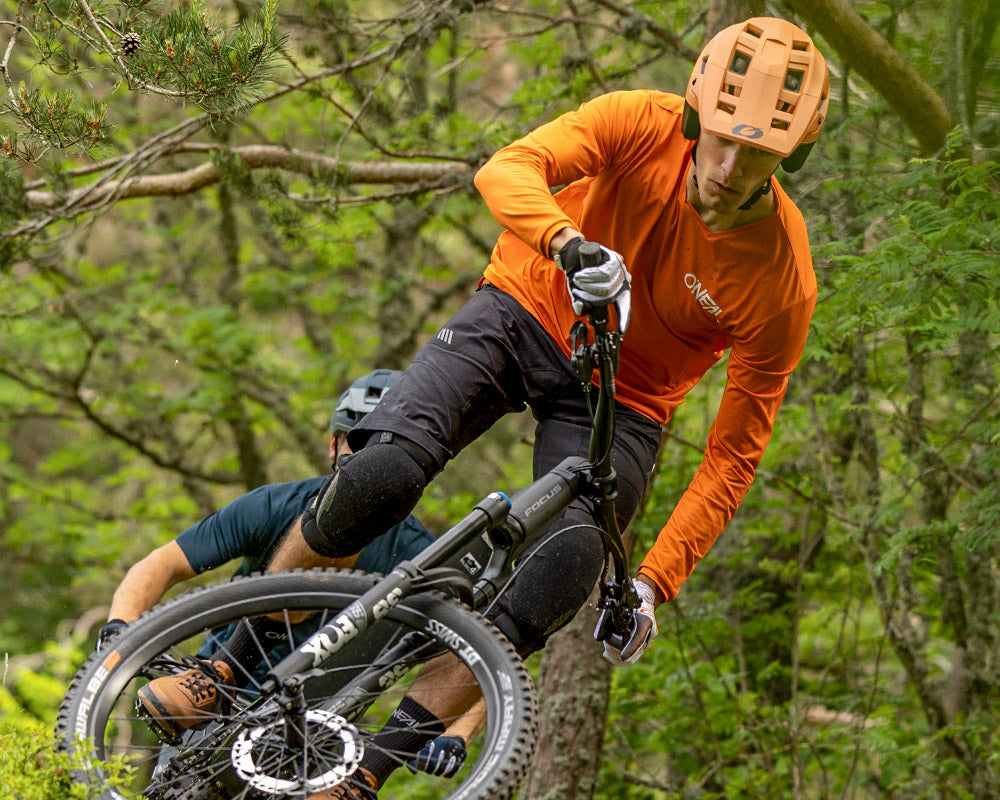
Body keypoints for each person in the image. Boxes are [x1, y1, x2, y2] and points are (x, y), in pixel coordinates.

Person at [139, 17, 830, 799]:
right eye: (723, 141)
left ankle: (362, 771)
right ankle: (221, 668)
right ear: (697, 115)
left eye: (760, 154)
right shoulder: (639, 121)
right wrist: (570, 245)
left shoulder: (781, 280)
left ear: (791, 156)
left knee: (564, 569)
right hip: (522, 309)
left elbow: (735, 453)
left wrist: (651, 584)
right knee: (382, 473)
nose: (731, 168)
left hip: (622, 398)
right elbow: (510, 169)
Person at [98, 370, 473, 780]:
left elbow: (476, 651)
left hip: (316, 726)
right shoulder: (276, 505)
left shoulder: (423, 555)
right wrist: (121, 629)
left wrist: (457, 732)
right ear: (334, 444)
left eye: (389, 445)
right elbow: (161, 565)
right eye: (361, 441)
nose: (371, 455)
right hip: (217, 697)